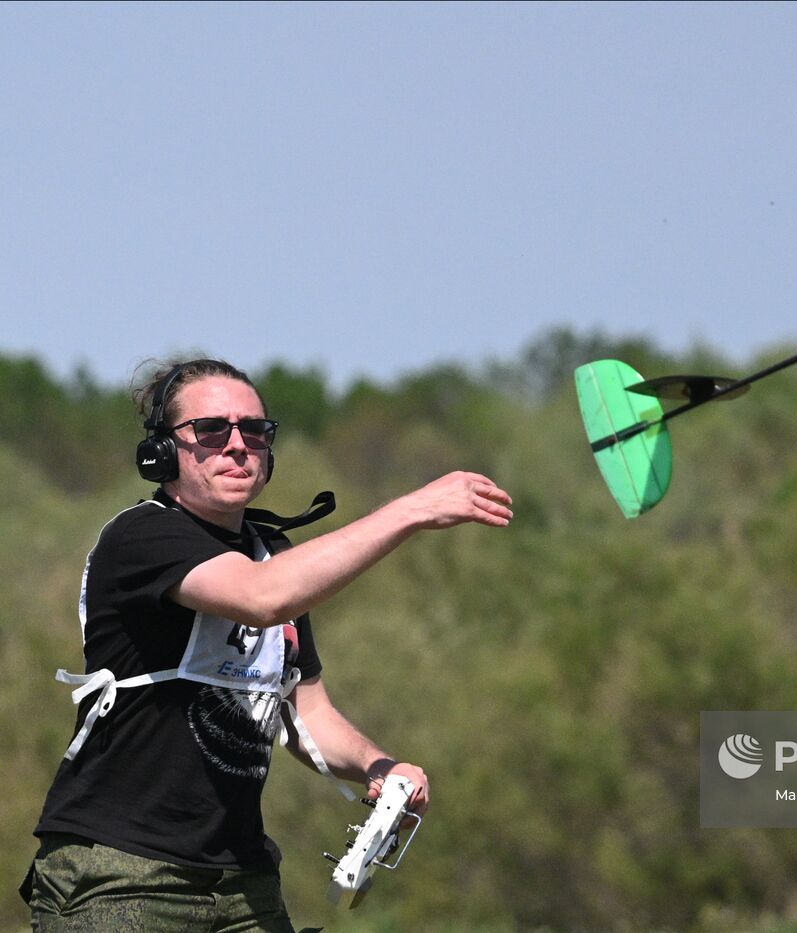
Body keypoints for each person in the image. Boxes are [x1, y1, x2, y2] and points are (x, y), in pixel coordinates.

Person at [22, 358, 513, 931]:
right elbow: (262, 597)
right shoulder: (143, 537)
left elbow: (308, 714)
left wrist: (379, 766)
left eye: (253, 431)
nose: (236, 445)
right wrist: (412, 509)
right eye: (211, 430)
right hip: (121, 871)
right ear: (163, 452)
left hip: (242, 878)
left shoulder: (271, 553)